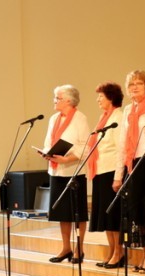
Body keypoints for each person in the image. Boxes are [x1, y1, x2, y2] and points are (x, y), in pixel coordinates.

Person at [113, 70, 145, 273]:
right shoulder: (128, 109)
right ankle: (144, 250)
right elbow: (123, 141)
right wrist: (118, 175)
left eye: (139, 83)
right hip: (132, 162)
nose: (134, 87)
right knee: (137, 212)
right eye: (131, 84)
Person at [39, 84, 90, 264]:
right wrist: (47, 152)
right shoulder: (53, 118)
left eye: (58, 98)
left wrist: (67, 159)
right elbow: (48, 142)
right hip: (56, 170)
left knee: (77, 212)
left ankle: (79, 248)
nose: (54, 101)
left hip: (74, 171)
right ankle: (66, 247)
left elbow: (85, 146)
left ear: (68, 100)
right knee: (61, 212)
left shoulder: (80, 118)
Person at [87, 82, 124, 268]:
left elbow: (120, 149)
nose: (97, 100)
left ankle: (119, 251)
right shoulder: (104, 118)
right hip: (100, 171)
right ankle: (112, 250)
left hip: (111, 171)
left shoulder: (118, 118)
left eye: (101, 96)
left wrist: (118, 176)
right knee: (106, 215)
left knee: (113, 215)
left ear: (111, 97)